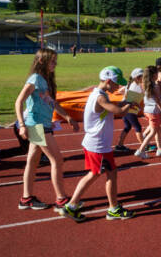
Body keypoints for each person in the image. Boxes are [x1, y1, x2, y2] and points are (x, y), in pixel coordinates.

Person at [60, 67, 135, 223]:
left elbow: (116, 107)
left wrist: (127, 102)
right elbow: (119, 112)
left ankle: (110, 207)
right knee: (96, 174)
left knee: (108, 173)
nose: (117, 87)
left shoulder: (100, 95)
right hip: (98, 144)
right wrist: (131, 103)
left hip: (97, 143)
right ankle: (72, 206)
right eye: (115, 83)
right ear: (108, 81)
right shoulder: (100, 98)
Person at [15, 48, 80, 211]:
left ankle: (26, 198)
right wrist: (22, 125)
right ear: (42, 61)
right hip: (36, 125)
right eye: (53, 61)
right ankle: (61, 199)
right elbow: (19, 101)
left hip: (40, 124)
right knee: (57, 160)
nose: (55, 64)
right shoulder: (35, 79)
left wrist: (68, 117)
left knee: (32, 161)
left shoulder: (43, 80)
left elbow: (52, 103)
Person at [134, 65, 161, 160]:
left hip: (147, 110)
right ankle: (140, 150)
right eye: (156, 73)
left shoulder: (144, 84)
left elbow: (151, 98)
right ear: (153, 75)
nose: (158, 74)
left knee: (157, 129)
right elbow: (157, 100)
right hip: (154, 111)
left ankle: (160, 149)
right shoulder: (154, 86)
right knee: (153, 131)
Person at [114, 68, 145, 152]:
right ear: (137, 77)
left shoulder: (130, 83)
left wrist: (125, 96)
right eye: (143, 76)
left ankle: (119, 145)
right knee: (137, 127)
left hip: (126, 108)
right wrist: (138, 105)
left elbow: (121, 91)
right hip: (130, 110)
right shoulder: (136, 86)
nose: (144, 78)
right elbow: (132, 100)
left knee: (127, 126)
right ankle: (144, 146)